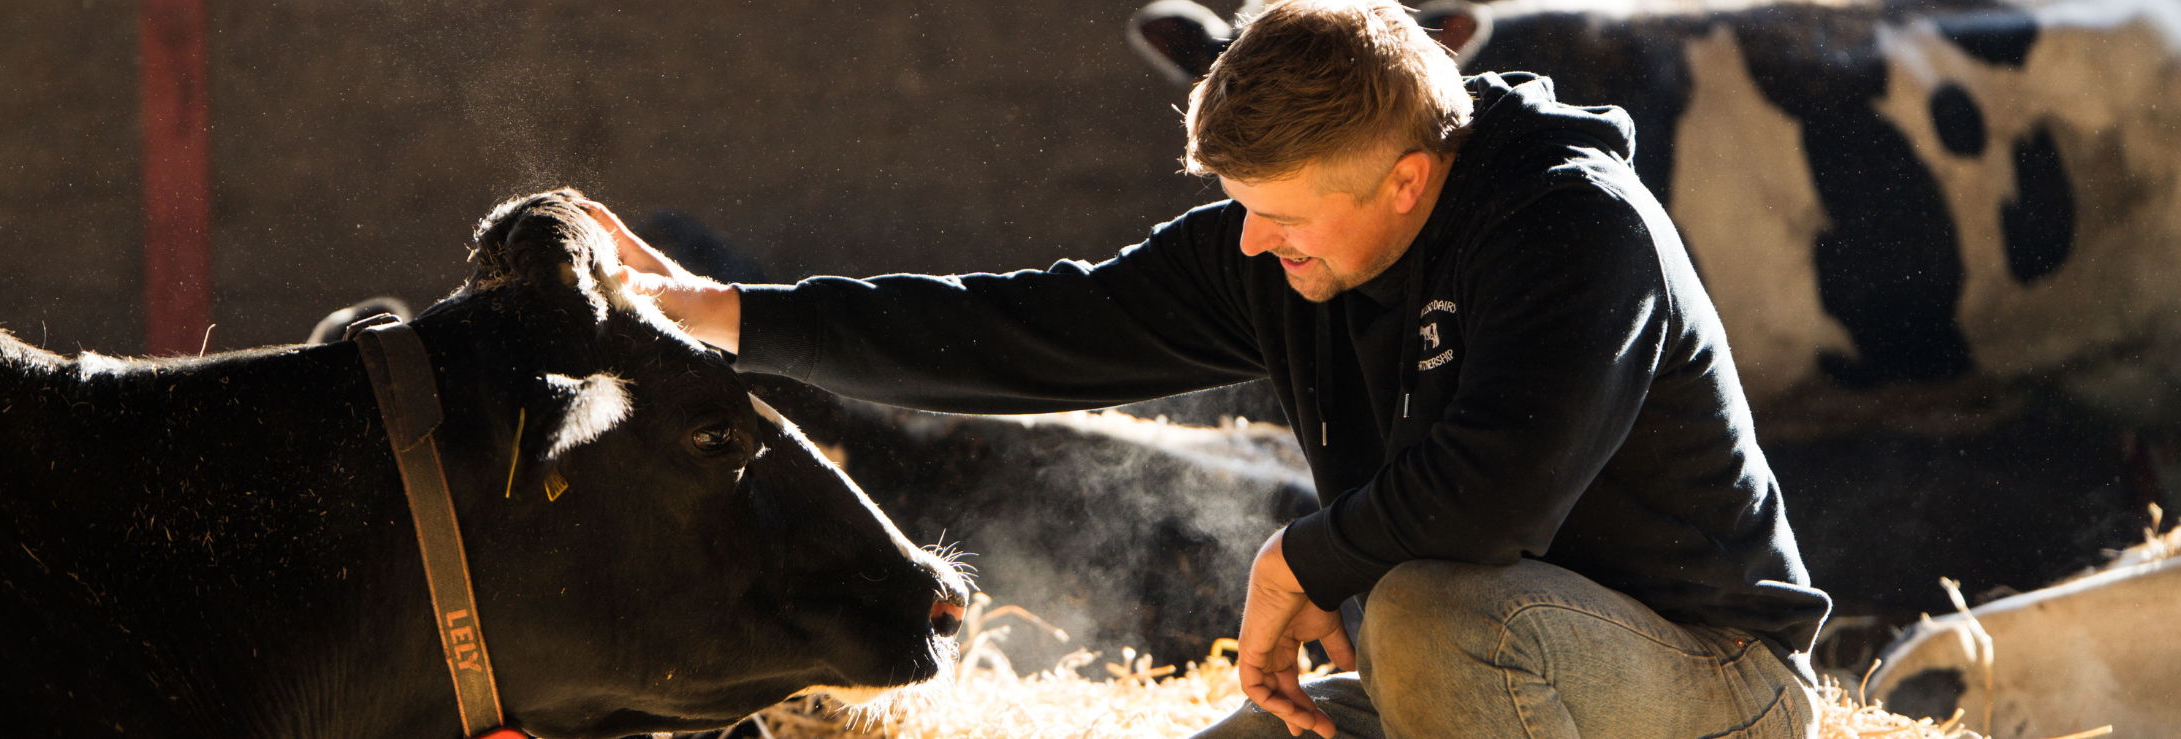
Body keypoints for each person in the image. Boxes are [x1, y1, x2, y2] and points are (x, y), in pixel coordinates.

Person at [591, 0, 1830, 736]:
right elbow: (1021, 327)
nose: (1250, 244)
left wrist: (1298, 559)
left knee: (1423, 609)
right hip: (1473, 680)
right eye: (1237, 208)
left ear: (1407, 180)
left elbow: (1496, 495)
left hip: (1706, 680)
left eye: (1280, 214)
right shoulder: (1281, 251)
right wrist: (723, 315)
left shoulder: (1571, 224)